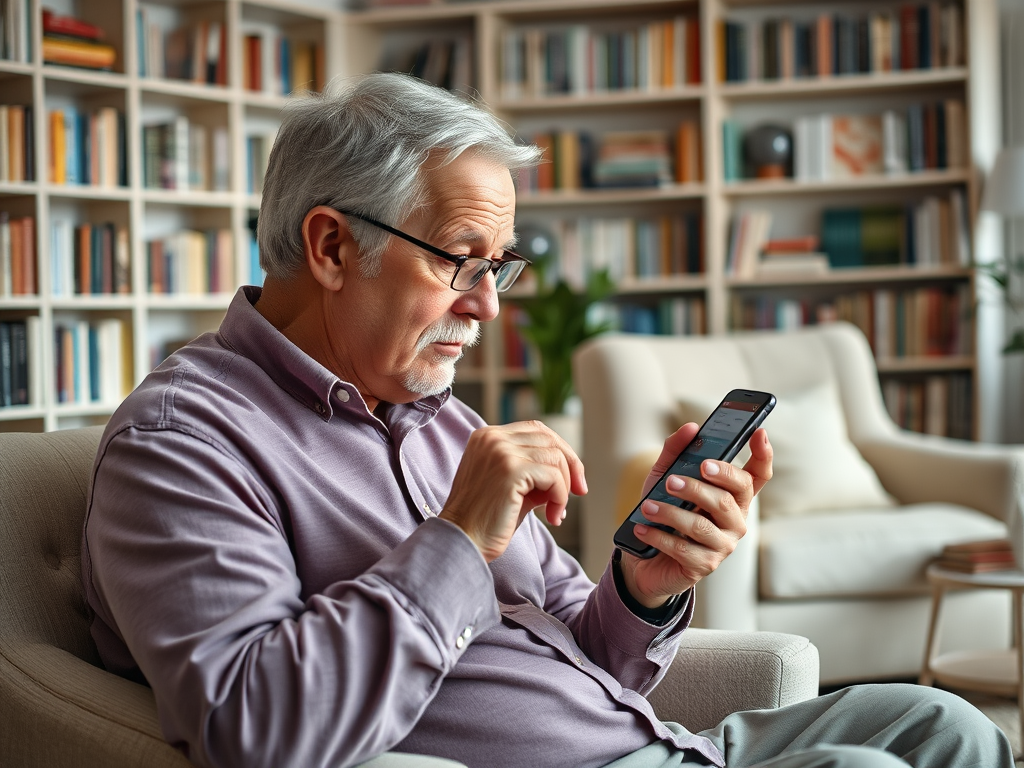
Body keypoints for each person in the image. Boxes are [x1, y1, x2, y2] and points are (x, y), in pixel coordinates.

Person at [81, 73, 1013, 768]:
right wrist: (454, 540)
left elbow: (587, 639)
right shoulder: (185, 442)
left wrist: (645, 584)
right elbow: (257, 727)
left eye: (501, 267)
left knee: (945, 725)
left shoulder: (435, 416)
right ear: (331, 246)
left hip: (662, 745)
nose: (488, 307)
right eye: (460, 260)